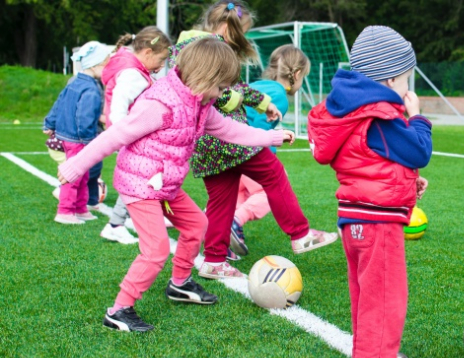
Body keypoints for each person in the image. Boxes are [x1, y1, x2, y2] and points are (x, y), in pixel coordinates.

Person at [57, 38, 295, 332]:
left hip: (165, 185)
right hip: (140, 185)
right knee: (156, 250)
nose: (224, 94)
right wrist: (75, 166)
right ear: (205, 77)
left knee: (197, 225)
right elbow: (115, 136)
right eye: (221, 87)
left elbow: (228, 129)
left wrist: (270, 137)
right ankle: (119, 310)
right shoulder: (159, 104)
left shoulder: (201, 103)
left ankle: (180, 284)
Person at [169, 0, 337, 280]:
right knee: (273, 173)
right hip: (227, 136)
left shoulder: (192, 46)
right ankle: (300, 234)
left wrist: (263, 103)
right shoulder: (206, 49)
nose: (242, 40)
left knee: (222, 199)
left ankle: (213, 260)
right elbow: (212, 90)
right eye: (241, 32)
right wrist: (237, 101)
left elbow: (234, 86)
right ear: (225, 27)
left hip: (206, 143)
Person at [307, 26, 433, 358]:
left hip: (356, 216)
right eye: (407, 79)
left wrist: (408, 182)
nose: (408, 88)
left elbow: (370, 160)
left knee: (366, 290)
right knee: (384, 291)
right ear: (391, 78)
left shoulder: (353, 112)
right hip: (377, 222)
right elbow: (418, 149)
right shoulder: (379, 116)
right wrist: (418, 117)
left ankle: (371, 349)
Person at [229, 44, 312, 258]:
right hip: (246, 152)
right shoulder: (280, 97)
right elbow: (257, 130)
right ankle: (235, 222)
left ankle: (216, 228)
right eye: (304, 77)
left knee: (236, 195)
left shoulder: (259, 85)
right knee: (269, 191)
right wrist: (274, 139)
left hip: (227, 149)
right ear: (296, 74)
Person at [98, 26, 172, 245]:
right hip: (132, 138)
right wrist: (125, 133)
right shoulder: (133, 75)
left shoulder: (132, 68)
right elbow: (119, 106)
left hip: (132, 136)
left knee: (147, 177)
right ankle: (115, 224)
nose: (161, 67)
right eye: (160, 60)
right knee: (139, 180)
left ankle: (128, 220)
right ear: (147, 53)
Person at [44, 41, 111, 225]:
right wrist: (89, 140)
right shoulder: (91, 89)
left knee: (83, 174)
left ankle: (80, 208)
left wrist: (49, 122)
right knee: (75, 175)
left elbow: (59, 101)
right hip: (79, 139)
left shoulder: (74, 81)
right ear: (96, 65)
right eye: (106, 64)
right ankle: (65, 211)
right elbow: (85, 117)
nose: (108, 69)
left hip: (69, 136)